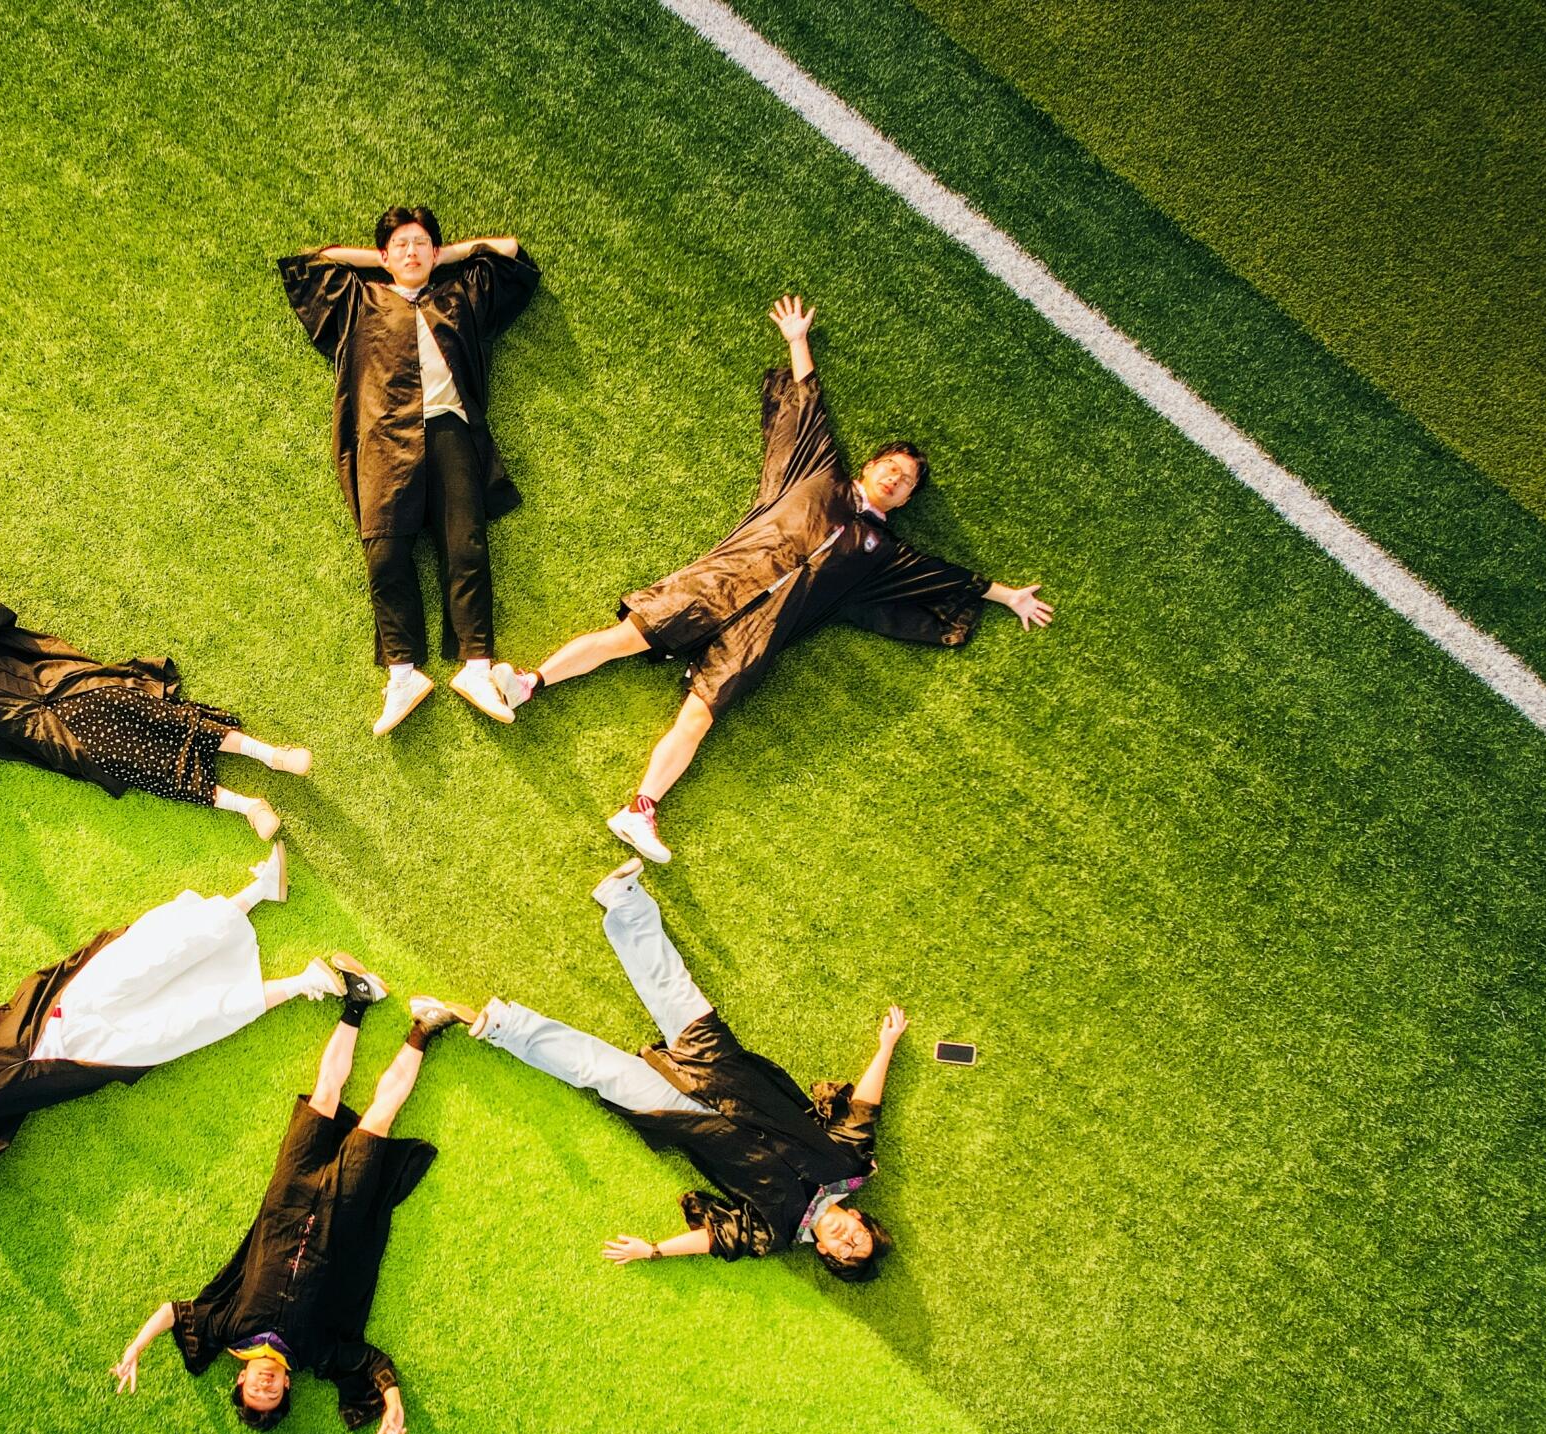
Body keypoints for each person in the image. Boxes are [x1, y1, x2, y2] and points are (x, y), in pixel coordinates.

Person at [492, 296, 1055, 862]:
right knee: (619, 640)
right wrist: (796, 340)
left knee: (699, 715)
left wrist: (1006, 595)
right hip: (719, 582)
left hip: (762, 631)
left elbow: (937, 577)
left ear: (907, 499)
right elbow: (809, 411)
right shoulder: (820, 473)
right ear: (869, 467)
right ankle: (528, 683)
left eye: (906, 480)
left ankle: (640, 811)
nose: (895, 477)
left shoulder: (882, 551)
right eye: (890, 466)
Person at [441, 858, 901, 1280]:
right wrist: (886, 1046)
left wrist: (653, 1250)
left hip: (682, 1116)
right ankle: (624, 901)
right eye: (858, 1238)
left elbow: (717, 1238)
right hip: (723, 1067)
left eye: (846, 1252)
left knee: (595, 1069)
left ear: (825, 1253)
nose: (848, 1240)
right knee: (671, 987)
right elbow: (863, 1109)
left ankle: (503, 1027)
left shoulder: (774, 1232)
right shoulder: (849, 1164)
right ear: (860, 1218)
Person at [0, 845, 381, 1190]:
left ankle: (260, 891)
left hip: (67, 999)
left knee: (162, 950)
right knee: (196, 1019)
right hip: (89, 1058)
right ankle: (304, 983)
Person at [110, 982, 470, 1434]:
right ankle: (425, 1028)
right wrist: (392, 1402)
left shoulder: (227, 1330)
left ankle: (358, 1002)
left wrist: (138, 1347)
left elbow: (172, 1313)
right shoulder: (316, 1354)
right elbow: (371, 1363)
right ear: (286, 1387)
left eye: (254, 1391)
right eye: (272, 1394)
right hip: (342, 1212)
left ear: (239, 1382)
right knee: (377, 1122)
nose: (264, 1386)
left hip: (285, 1201)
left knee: (324, 1096)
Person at [280, 207, 540, 735]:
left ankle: (475, 668)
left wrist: (448, 257)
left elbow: (509, 251)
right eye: (400, 245)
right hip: (383, 438)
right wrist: (380, 263)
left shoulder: (460, 296)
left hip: (450, 432)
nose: (412, 252)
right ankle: (402, 675)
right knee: (384, 550)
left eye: (422, 243)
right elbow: (314, 264)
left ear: (437, 252)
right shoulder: (359, 299)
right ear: (383, 257)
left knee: (465, 546)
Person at [0, 581, 310, 840]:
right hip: (51, 734)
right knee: (143, 767)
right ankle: (248, 806)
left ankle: (271, 755)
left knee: (163, 717)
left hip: (65, 685)